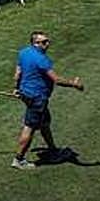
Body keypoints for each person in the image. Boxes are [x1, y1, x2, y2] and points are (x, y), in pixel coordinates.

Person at [11, 30, 84, 169]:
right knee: (30, 128)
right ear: (36, 43)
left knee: (44, 122)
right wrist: (74, 84)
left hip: (26, 94)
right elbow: (56, 80)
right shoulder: (41, 59)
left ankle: (53, 150)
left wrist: (16, 88)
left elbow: (17, 74)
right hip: (37, 98)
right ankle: (18, 159)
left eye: (47, 41)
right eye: (44, 42)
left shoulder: (24, 53)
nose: (48, 44)